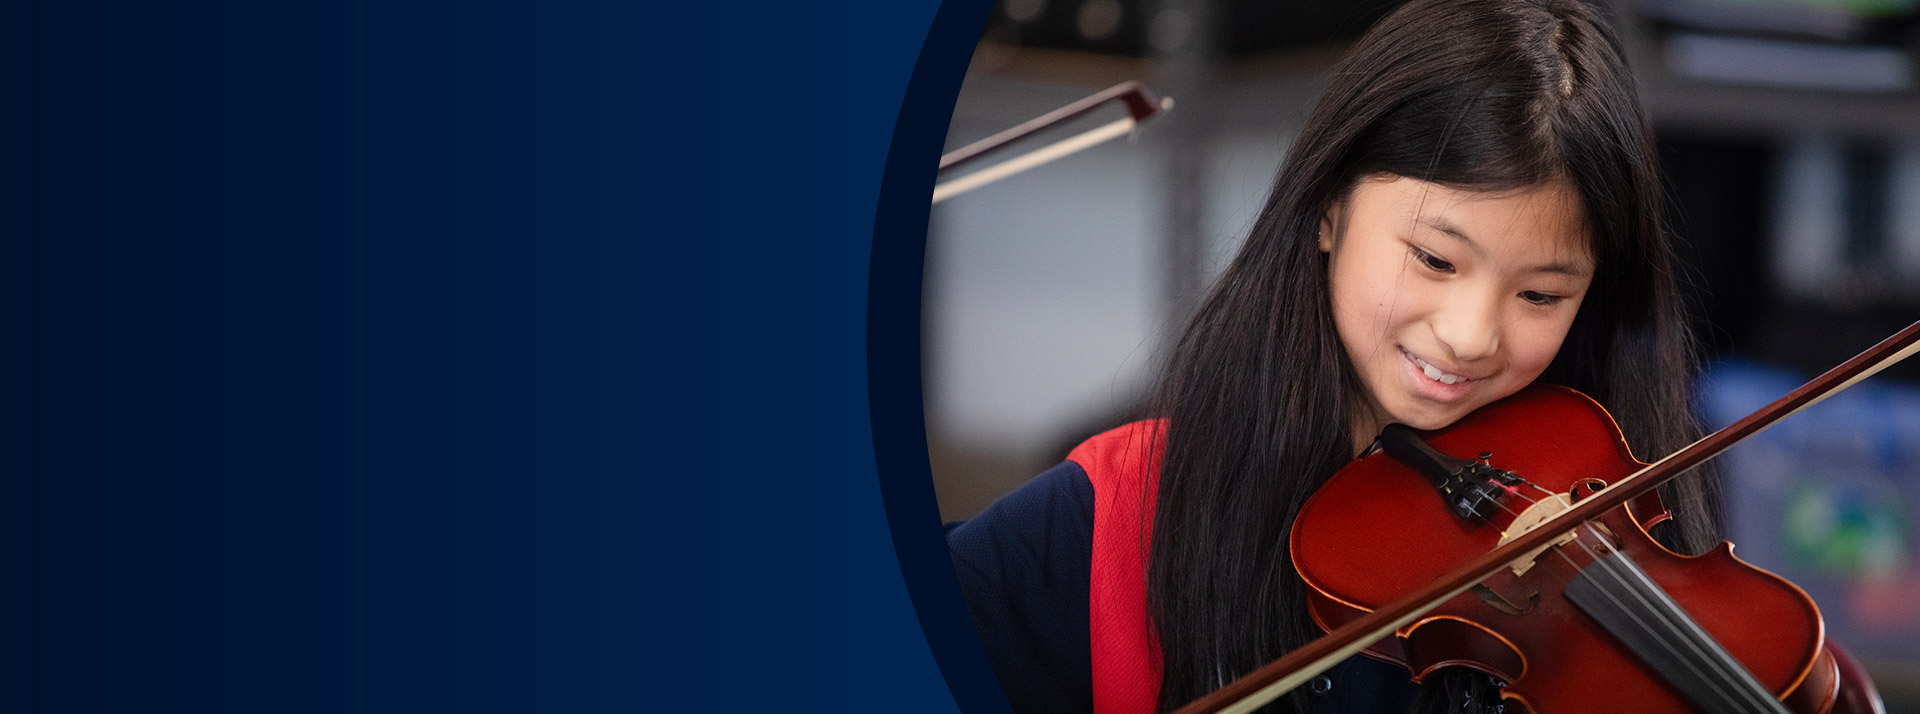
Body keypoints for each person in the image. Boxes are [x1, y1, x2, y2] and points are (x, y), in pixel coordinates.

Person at [944, 0, 1728, 712]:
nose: (1471, 334)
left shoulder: (1626, 517)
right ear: (1329, 207)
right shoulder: (1118, 515)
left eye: (1541, 296)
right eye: (1434, 259)